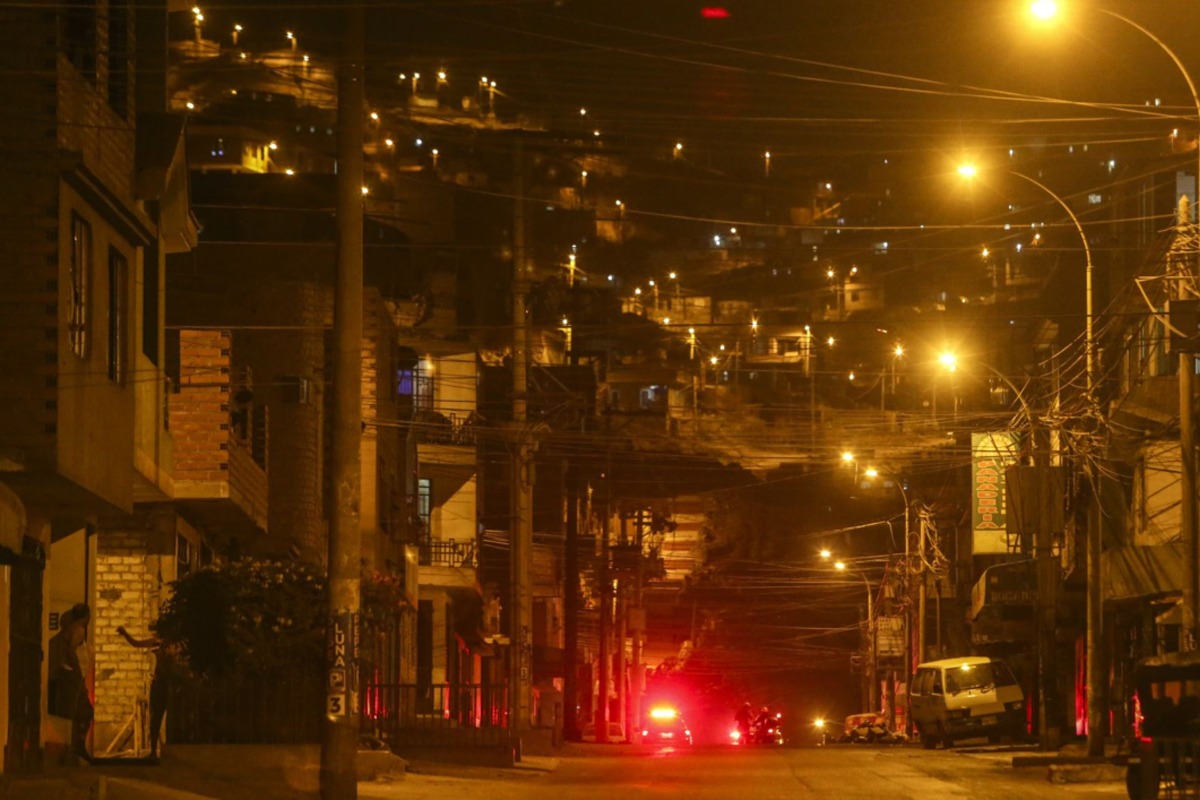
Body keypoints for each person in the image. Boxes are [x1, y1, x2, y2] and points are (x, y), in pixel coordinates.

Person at [116, 624, 175, 758]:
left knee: (159, 720)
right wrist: (125, 634)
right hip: (162, 685)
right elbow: (136, 643)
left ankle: (157, 751)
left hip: (163, 685)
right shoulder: (161, 644)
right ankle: (155, 751)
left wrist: (125, 633)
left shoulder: (166, 645)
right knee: (157, 720)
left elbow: (136, 643)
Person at [50, 603, 92, 762]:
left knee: (78, 710)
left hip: (68, 673)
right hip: (73, 675)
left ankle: (76, 746)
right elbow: (72, 651)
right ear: (86, 616)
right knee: (84, 711)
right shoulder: (79, 631)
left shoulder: (68, 629)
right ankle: (77, 745)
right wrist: (77, 670)